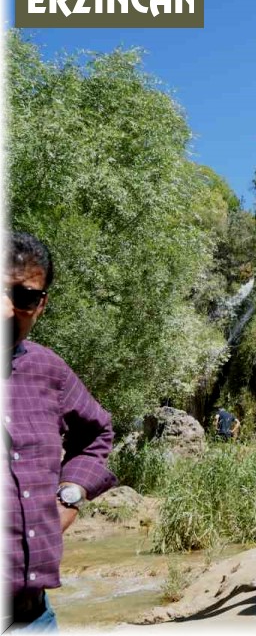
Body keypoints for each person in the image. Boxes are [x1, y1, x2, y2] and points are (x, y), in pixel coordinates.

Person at [5, 231, 118, 631]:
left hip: (34, 617)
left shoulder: (48, 369)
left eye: (24, 296)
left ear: (40, 305)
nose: (6, 309)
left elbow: (98, 432)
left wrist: (69, 496)